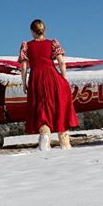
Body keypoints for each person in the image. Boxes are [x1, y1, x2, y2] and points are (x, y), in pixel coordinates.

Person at [18, 19, 78, 151]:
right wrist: (64, 79)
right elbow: (61, 62)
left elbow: (23, 67)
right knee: (59, 106)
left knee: (42, 108)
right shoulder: (53, 43)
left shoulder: (26, 46)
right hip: (53, 77)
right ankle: (64, 141)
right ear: (44, 30)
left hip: (36, 78)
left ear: (32, 31)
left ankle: (44, 133)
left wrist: (24, 83)